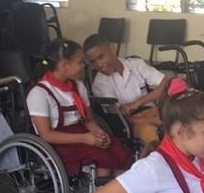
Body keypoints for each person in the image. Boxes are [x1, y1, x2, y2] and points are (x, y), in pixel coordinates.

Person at [26, 39, 131, 177]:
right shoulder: (39, 93)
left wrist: (99, 133)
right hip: (58, 143)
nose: (84, 66)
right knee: (104, 160)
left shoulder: (79, 86)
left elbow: (89, 120)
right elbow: (47, 135)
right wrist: (84, 138)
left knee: (120, 153)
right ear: (64, 65)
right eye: (80, 62)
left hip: (82, 132)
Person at [84, 33, 168, 155]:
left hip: (153, 110)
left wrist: (138, 103)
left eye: (101, 57)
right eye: (93, 62)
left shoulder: (136, 65)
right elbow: (119, 118)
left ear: (112, 49)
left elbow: (165, 82)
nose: (99, 65)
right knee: (151, 133)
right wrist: (152, 120)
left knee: (179, 120)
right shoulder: (100, 83)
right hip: (132, 122)